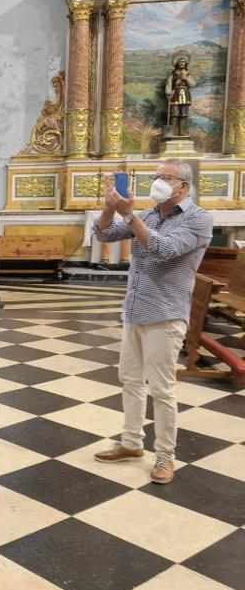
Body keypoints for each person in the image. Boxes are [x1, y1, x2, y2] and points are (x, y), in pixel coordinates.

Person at [92, 159, 212, 485]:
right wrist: (109, 208)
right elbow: (103, 234)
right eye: (155, 177)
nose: (157, 182)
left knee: (161, 389)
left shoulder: (198, 219)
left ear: (182, 186)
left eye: (165, 177)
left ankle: (165, 456)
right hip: (135, 310)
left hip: (165, 314)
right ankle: (131, 443)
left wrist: (129, 215)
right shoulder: (149, 214)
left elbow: (162, 249)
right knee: (129, 379)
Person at [165, 56, 195, 136]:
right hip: (175, 94)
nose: (181, 63)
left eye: (183, 62)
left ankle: (182, 132)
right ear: (177, 63)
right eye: (180, 62)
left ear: (186, 64)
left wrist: (186, 79)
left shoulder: (188, 74)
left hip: (185, 94)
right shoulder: (173, 74)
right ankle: (172, 132)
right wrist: (168, 93)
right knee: (174, 113)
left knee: (184, 113)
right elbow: (169, 84)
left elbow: (193, 84)